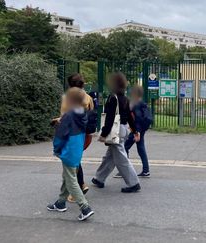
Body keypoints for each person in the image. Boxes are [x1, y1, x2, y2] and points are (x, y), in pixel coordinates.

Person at [47, 87, 94, 221]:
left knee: (71, 180)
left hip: (68, 151)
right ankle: (60, 203)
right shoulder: (82, 113)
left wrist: (57, 149)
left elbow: (61, 136)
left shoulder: (68, 115)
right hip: (77, 150)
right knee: (67, 176)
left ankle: (85, 208)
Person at [91, 72, 141, 193]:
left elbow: (110, 118)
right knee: (110, 156)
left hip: (115, 130)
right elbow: (129, 116)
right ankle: (99, 178)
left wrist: (103, 134)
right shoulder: (124, 98)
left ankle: (133, 183)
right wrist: (135, 131)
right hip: (123, 129)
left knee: (121, 158)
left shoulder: (113, 98)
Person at [53, 73, 95, 201]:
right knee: (76, 159)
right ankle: (76, 187)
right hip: (86, 134)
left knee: (72, 161)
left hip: (72, 135)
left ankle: (78, 190)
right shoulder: (88, 97)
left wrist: (57, 122)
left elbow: (66, 119)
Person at [123, 85, 152, 177]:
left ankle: (124, 170)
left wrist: (137, 132)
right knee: (141, 148)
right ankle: (146, 170)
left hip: (137, 130)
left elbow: (138, 118)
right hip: (141, 129)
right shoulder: (142, 102)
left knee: (125, 147)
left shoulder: (136, 104)